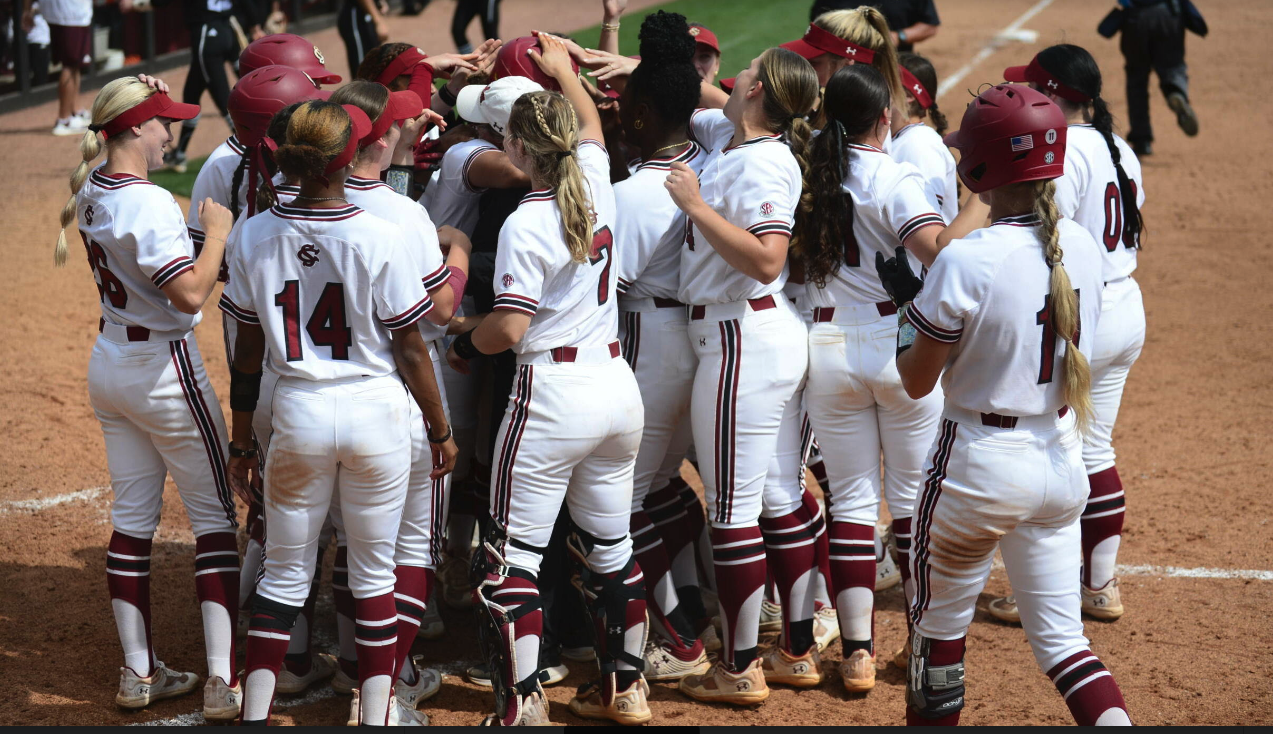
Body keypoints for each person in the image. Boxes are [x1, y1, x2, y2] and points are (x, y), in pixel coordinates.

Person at [885, 82, 1132, 726]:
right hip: (1059, 461)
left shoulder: (966, 258)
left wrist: (910, 317)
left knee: (936, 642)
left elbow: (916, 381)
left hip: (977, 468)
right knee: (1064, 645)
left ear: (981, 166)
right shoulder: (1083, 245)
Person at [220, 99, 456, 726]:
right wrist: (439, 428)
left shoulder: (252, 232)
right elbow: (411, 345)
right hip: (375, 411)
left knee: (284, 575)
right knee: (375, 574)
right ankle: (376, 717)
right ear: (347, 156)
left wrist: (243, 438)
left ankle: (256, 714)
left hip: (296, 407)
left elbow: (246, 350)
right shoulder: (380, 232)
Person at [445, 32, 649, 726]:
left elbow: (505, 329)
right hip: (617, 390)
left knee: (507, 565)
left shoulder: (526, 221)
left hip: (551, 399)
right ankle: (629, 688)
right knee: (611, 549)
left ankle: (520, 707)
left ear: (518, 148)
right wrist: (564, 70)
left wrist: (461, 338)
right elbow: (589, 124)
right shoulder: (597, 178)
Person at [56, 74, 242, 721]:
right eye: (164, 121)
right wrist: (217, 230)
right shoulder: (153, 202)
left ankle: (138, 671)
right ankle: (222, 679)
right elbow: (189, 295)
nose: (172, 132)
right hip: (165, 370)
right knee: (215, 518)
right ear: (135, 127)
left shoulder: (90, 189)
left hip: (111, 363)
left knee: (132, 520)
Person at [661, 46, 820, 704]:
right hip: (756, 334)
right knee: (780, 496)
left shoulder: (761, 165)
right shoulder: (743, 140)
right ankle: (799, 650)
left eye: (741, 73)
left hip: (739, 339)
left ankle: (740, 666)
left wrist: (696, 207)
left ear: (755, 92)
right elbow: (698, 94)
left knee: (731, 512)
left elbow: (763, 258)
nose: (731, 80)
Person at [795, 62, 958, 694]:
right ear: (884, 118)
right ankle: (921, 639)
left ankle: (858, 652)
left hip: (829, 344)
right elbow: (937, 251)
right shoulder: (893, 175)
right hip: (897, 344)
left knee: (853, 502)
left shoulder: (809, 168)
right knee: (915, 500)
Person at [988, 45, 1146, 626]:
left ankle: (1044, 593)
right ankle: (1099, 585)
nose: (1025, 98)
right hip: (1126, 304)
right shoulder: (1119, 146)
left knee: (1048, 447)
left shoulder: (1061, 153)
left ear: (1053, 94)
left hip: (1085, 311)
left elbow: (1048, 239)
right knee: (1094, 445)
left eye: (1032, 90)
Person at [330, 79, 467, 719]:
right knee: (411, 549)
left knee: (342, 544)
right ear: (379, 138)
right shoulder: (402, 215)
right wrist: (459, 255)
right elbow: (437, 313)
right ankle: (386, 687)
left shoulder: (283, 204)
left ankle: (315, 664)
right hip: (396, 394)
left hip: (304, 393)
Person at [611, 10, 712, 683]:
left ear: (644, 114)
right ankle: (701, 599)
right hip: (707, 340)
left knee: (614, 507)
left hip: (649, 342)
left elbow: (605, 292)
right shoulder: (715, 163)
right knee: (660, 486)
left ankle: (677, 637)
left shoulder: (629, 194)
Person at [168, 32, 342, 173]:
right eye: (311, 80)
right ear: (272, 82)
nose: (318, 88)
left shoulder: (318, 144)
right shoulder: (223, 165)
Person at [1109, 0, 1201, 155]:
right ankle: (1175, 91)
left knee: (1136, 80)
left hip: (1136, 19)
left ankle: (1142, 140)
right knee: (1172, 67)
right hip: (1169, 14)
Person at [893, 52, 957, 222]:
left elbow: (928, 223)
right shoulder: (902, 140)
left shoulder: (919, 146)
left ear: (908, 96)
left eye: (884, 82)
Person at [22, 0, 93, 135]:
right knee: (69, 65)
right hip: (70, 14)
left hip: (63, 13)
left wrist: (27, 9)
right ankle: (63, 119)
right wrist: (27, 9)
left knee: (74, 64)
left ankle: (75, 111)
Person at [810, 0, 940, 53]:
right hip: (842, 67)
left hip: (892, 68)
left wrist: (898, 36)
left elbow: (929, 25)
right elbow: (818, 23)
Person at [338, 0, 390, 80]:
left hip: (367, 15)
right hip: (356, 17)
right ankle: (358, 92)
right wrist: (378, 21)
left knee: (373, 64)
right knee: (362, 71)